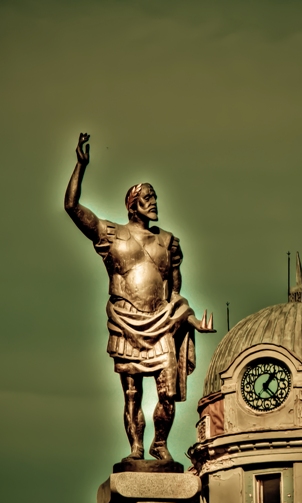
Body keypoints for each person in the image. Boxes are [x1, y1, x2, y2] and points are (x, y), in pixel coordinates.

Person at [64, 132, 214, 462]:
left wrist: (191, 320)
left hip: (161, 323)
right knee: (131, 393)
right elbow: (72, 207)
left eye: (155, 196)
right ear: (133, 204)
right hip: (126, 320)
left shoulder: (168, 242)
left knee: (168, 391)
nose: (154, 201)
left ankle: (160, 443)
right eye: (148, 196)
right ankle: (136, 447)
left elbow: (175, 293)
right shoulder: (111, 234)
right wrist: (80, 166)